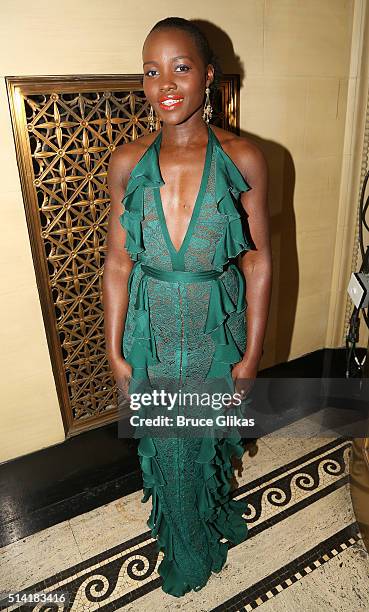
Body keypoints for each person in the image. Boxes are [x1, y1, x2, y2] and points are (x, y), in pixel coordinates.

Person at [103, 16, 272, 598]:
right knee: (165, 450)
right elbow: (118, 264)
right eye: (152, 71)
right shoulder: (127, 162)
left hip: (212, 330)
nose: (165, 83)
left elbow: (257, 262)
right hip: (149, 333)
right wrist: (113, 347)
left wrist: (250, 359)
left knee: (206, 445)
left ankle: (206, 523)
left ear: (208, 76)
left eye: (181, 67)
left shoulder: (244, 157)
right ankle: (185, 543)